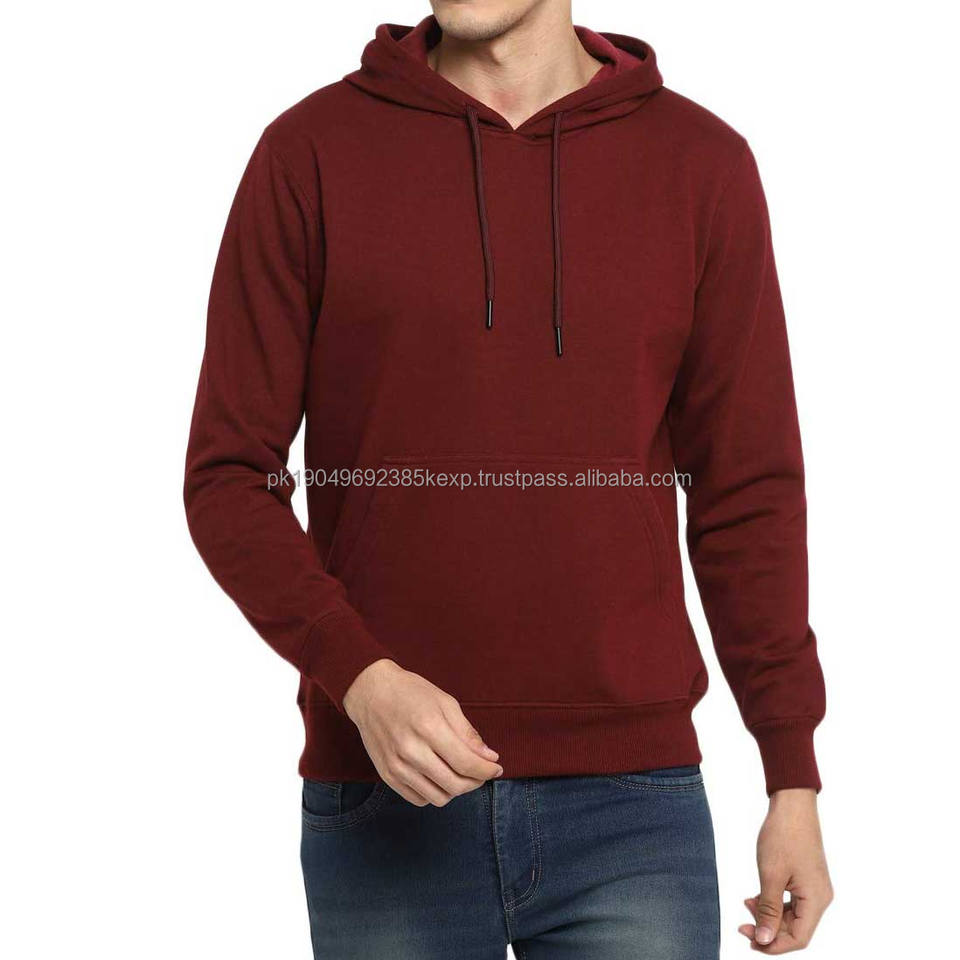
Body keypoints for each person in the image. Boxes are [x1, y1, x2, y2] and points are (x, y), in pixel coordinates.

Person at [184, 1, 833, 956]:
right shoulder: (310, 152)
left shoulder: (700, 165)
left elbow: (747, 492)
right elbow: (230, 475)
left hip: (633, 812)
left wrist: (792, 774)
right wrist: (358, 678)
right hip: (384, 792)